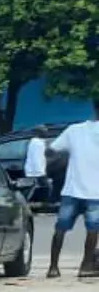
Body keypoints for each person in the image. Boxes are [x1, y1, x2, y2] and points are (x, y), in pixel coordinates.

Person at [46, 100, 99, 278]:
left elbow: (52, 150)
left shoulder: (74, 130)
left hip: (72, 189)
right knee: (93, 229)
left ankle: (53, 267)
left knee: (61, 228)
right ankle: (86, 266)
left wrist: (65, 160)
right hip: (96, 191)